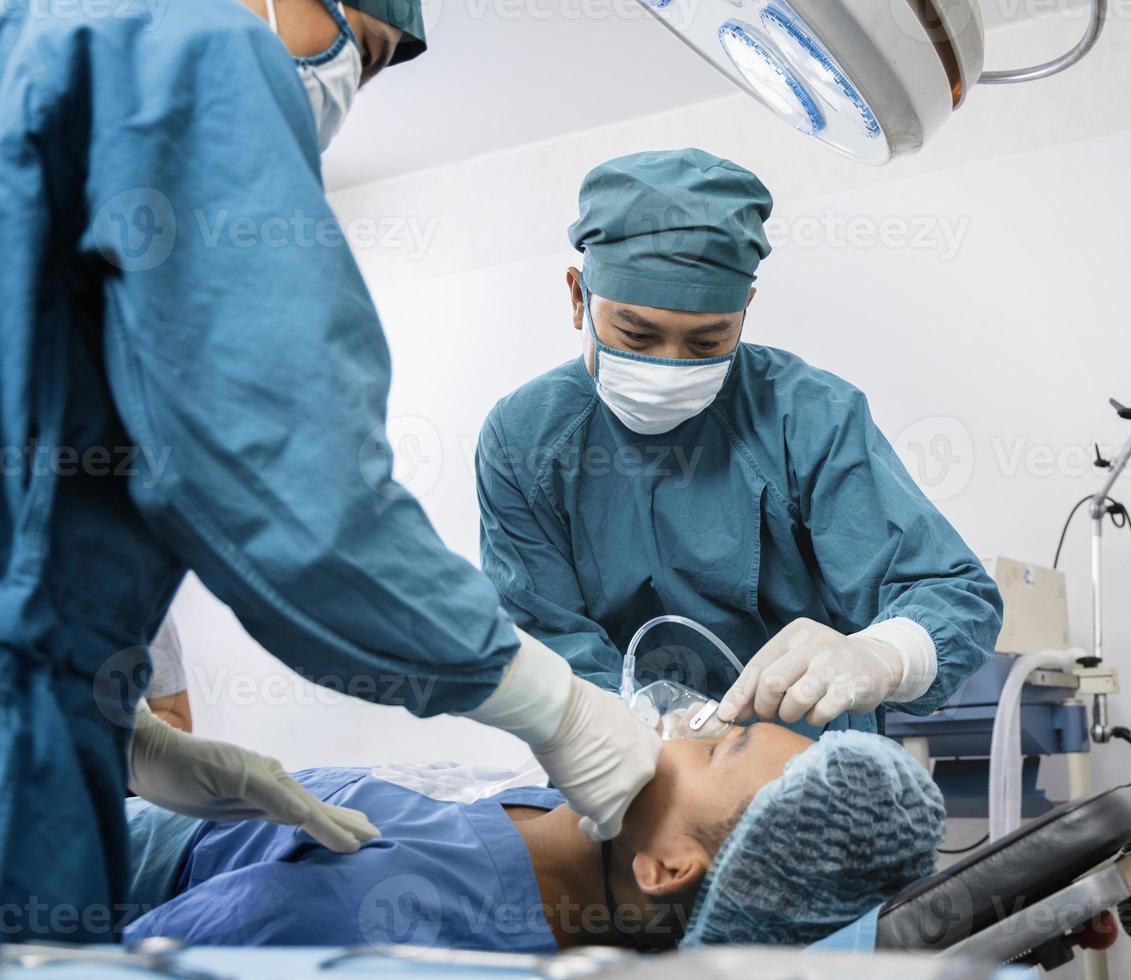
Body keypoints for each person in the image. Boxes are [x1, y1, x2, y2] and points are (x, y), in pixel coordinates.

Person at [0, 0, 659, 940]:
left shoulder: (44, 52)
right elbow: (292, 495)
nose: (355, 82)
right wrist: (559, 709)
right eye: (371, 49)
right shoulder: (190, 45)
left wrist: (126, 737)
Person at [477, 149, 1003, 736]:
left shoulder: (808, 416)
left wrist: (884, 654)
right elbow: (545, 639)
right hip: (617, 760)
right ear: (579, 298)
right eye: (636, 334)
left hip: (807, 763)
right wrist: (650, 736)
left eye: (707, 342)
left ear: (745, 310)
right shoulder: (523, 439)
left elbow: (952, 595)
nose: (668, 369)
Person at [122, 727, 946, 949]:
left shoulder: (373, 915)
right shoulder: (568, 826)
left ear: (666, 866)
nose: (689, 719)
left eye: (709, 746)